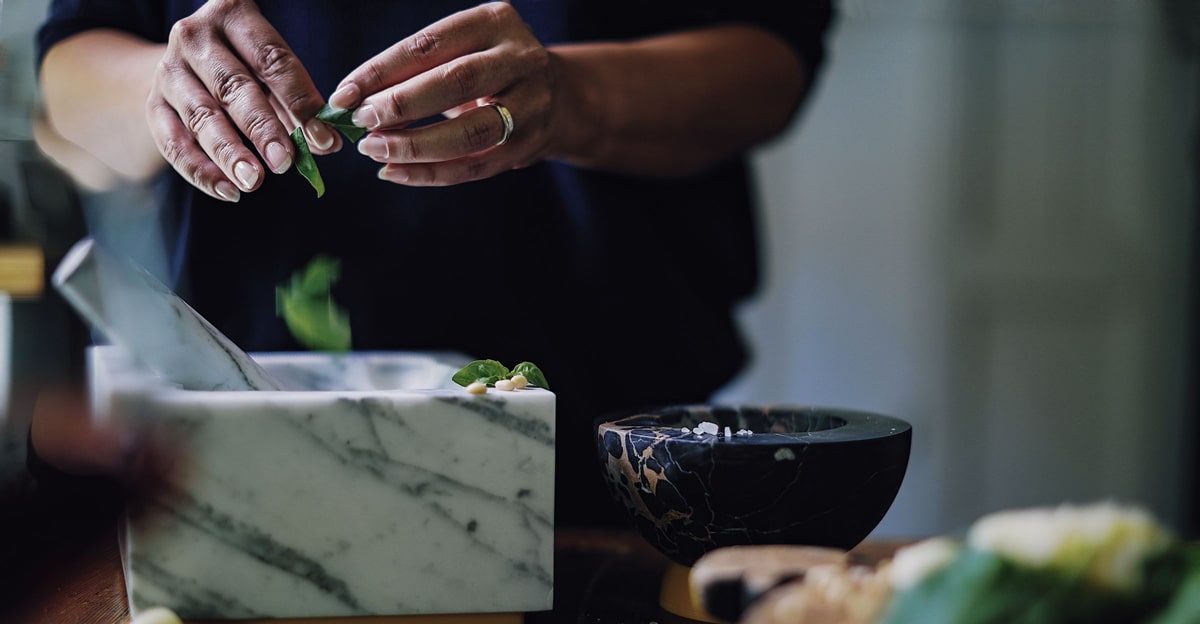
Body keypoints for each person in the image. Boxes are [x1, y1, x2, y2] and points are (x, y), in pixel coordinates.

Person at [31, 0, 835, 525]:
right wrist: (161, 92)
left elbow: (772, 58)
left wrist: (576, 96)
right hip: (238, 435)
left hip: (614, 432)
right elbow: (66, 69)